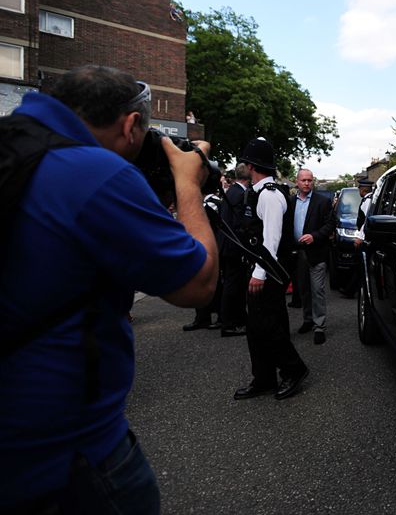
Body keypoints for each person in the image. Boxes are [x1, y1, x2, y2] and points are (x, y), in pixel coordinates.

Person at [0, 65, 219, 514]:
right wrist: (187, 184)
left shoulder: (14, 149)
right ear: (130, 124)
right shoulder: (97, 174)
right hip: (63, 451)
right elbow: (199, 283)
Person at [233, 137, 309, 401]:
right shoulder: (257, 194)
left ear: (252, 165)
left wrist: (258, 273)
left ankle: (293, 369)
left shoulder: (270, 196)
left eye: (246, 162)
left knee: (269, 326)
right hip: (258, 269)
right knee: (255, 328)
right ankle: (263, 377)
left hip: (267, 272)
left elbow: (271, 240)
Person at [287, 168, 336, 344]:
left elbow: (331, 224)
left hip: (316, 252)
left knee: (318, 290)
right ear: (297, 181)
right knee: (303, 290)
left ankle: (319, 326)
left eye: (310, 180)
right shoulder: (290, 202)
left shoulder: (322, 201)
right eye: (304, 180)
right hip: (297, 252)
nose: (307, 183)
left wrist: (314, 236)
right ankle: (308, 320)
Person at [219, 164, 251, 338]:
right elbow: (238, 224)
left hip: (226, 245)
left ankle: (236, 320)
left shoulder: (231, 191)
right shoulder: (240, 194)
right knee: (233, 286)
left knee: (232, 285)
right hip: (234, 247)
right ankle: (228, 324)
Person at [342, 179, 374, 298]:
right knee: (358, 265)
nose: (359, 191)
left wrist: (360, 237)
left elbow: (366, 221)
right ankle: (349, 290)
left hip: (365, 239)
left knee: (360, 266)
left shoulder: (367, 201)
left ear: (363, 189)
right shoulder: (368, 200)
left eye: (360, 189)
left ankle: (350, 291)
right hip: (365, 238)